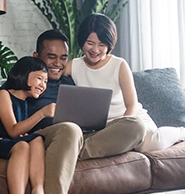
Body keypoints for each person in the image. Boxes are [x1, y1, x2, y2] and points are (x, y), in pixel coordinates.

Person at [0, 30, 83, 194]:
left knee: (51, 136)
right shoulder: (13, 91)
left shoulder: (68, 82)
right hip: (22, 138)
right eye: (51, 57)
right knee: (45, 137)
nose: (58, 63)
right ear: (36, 57)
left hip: (49, 139)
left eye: (63, 58)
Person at [65, 13, 185, 157]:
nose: (95, 50)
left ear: (109, 45)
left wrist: (122, 128)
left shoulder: (119, 65)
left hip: (128, 120)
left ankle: (180, 131)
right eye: (90, 43)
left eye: (102, 45)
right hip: (98, 128)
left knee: (149, 145)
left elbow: (132, 105)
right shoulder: (73, 66)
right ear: (82, 40)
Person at [0, 56, 52, 194]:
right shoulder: (3, 95)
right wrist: (43, 113)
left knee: (37, 139)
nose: (43, 85)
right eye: (39, 78)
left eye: (45, 81)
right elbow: (13, 130)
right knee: (22, 145)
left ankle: (37, 193)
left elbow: (20, 132)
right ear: (24, 74)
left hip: (10, 143)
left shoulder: (24, 102)